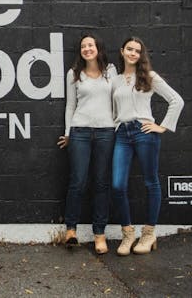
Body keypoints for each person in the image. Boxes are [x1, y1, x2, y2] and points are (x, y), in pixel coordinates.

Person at [111, 37, 184, 256]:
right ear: (122, 51)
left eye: (137, 51)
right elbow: (114, 112)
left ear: (141, 55)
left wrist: (162, 127)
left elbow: (176, 100)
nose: (133, 53)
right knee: (117, 185)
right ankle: (127, 234)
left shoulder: (149, 76)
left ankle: (149, 233)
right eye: (129, 49)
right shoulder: (114, 80)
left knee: (151, 182)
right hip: (122, 133)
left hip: (144, 132)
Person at [57, 34, 116, 254]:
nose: (87, 49)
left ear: (98, 48)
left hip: (106, 132)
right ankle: (71, 231)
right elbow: (70, 106)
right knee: (78, 181)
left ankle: (99, 234)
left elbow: (115, 101)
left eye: (90, 45)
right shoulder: (73, 74)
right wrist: (68, 133)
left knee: (101, 183)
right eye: (83, 46)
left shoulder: (111, 71)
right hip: (80, 132)